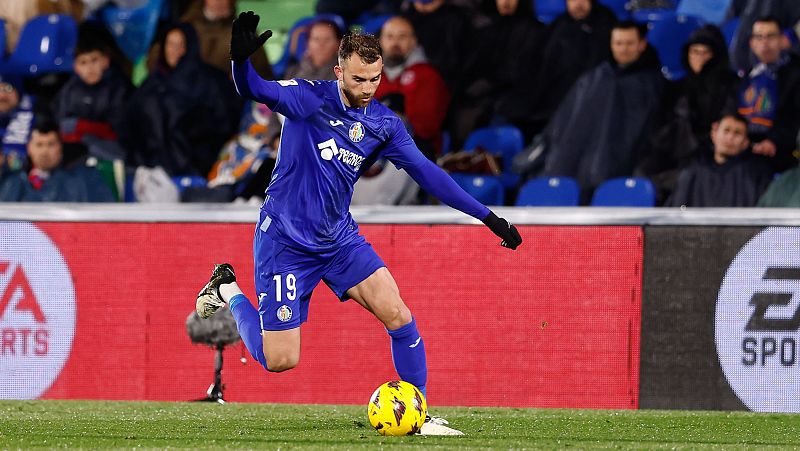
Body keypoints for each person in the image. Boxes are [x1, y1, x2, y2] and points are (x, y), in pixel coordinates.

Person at [195, 12, 522, 435]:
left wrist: (489, 217)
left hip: (338, 240)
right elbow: (253, 88)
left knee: (398, 314)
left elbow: (429, 174)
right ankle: (229, 289)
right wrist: (241, 60)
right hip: (285, 243)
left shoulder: (383, 124)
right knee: (280, 360)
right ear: (339, 72)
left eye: (374, 80)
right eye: (357, 80)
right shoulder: (307, 99)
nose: (367, 89)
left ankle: (417, 414)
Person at [541, 20, 664, 202]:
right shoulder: (594, 78)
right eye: (618, 43)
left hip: (623, 171)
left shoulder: (653, 84)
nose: (623, 49)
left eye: (629, 43)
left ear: (642, 44)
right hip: (580, 169)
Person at [636, 25, 740, 204]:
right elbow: (664, 126)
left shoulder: (730, 85)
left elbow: (729, 121)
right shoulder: (677, 87)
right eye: (695, 52)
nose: (699, 58)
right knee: (643, 170)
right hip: (676, 150)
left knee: (689, 174)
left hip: (709, 152)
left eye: (705, 53)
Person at [125, 23, 241, 177]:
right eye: (170, 44)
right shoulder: (152, 83)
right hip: (151, 169)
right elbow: (133, 124)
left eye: (181, 45)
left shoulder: (210, 80)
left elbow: (223, 123)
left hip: (196, 167)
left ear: (190, 47)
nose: (175, 51)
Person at [375, 16, 450, 158]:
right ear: (381, 42)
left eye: (402, 37)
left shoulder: (427, 75)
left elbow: (426, 129)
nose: (395, 42)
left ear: (413, 41)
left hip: (417, 151)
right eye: (390, 36)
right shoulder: (370, 74)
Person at [52, 39, 133, 164]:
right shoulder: (69, 89)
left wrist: (82, 128)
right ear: (75, 67)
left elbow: (119, 131)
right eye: (83, 62)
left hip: (111, 151)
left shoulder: (120, 88)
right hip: (77, 151)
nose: (90, 68)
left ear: (105, 61)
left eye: (94, 60)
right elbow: (62, 124)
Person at [667, 113, 773, 207]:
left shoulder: (755, 176)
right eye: (726, 130)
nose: (730, 137)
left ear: (745, 143)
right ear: (714, 134)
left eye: (737, 133)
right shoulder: (691, 172)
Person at [737, 16, 800, 174]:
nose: (764, 43)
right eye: (759, 37)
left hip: (782, 154)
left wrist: (774, 141)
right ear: (752, 43)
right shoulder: (746, 76)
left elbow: (794, 120)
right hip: (745, 150)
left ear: (781, 40)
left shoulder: (796, 74)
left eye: (771, 36)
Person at [0, 120, 115, 202]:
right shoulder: (11, 182)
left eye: (50, 144)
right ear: (29, 148)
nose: (44, 151)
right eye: (39, 145)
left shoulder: (85, 179)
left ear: (60, 148)